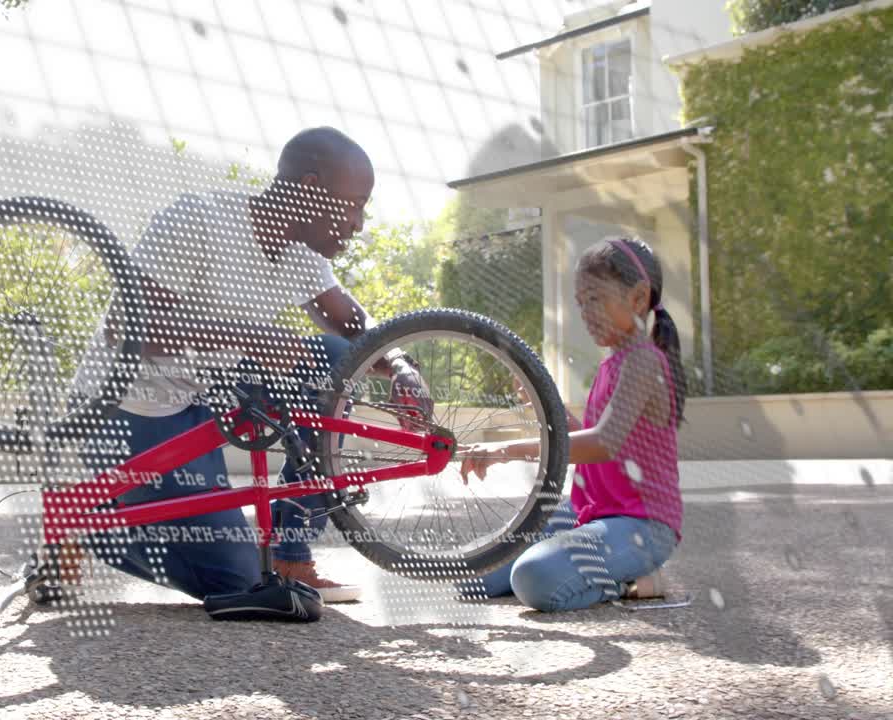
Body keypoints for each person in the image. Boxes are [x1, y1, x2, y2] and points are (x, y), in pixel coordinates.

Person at [72, 127, 430, 606]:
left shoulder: (301, 254)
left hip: (204, 398)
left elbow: (354, 328)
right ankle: (81, 523)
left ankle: (290, 553)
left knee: (333, 360)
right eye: (353, 205)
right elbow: (127, 328)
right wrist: (249, 337)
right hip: (125, 409)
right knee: (236, 578)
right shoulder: (198, 220)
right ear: (309, 189)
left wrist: (401, 364)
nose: (359, 223)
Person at [458, 237, 686, 612]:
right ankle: (592, 567)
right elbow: (594, 445)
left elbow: (604, 442)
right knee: (476, 575)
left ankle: (634, 581)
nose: (585, 312)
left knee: (532, 578)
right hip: (592, 512)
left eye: (594, 298)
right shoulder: (613, 363)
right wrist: (545, 403)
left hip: (643, 526)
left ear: (638, 298)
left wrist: (505, 450)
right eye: (581, 303)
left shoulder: (644, 362)